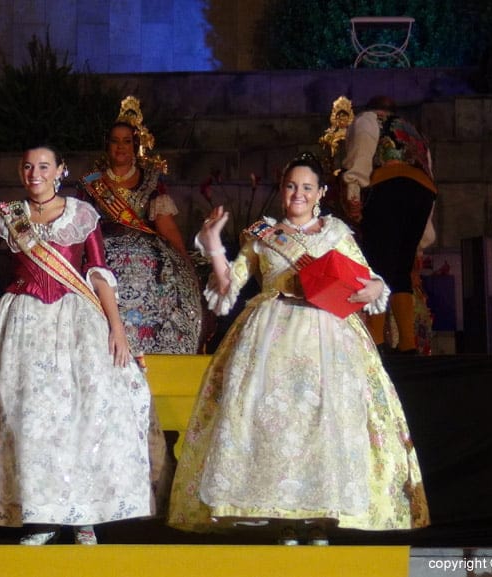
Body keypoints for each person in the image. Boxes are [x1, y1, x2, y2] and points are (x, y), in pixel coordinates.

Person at [167, 153, 429, 544]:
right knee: (275, 424)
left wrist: (372, 289)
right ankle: (282, 517)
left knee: (322, 423)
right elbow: (228, 286)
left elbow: (370, 280)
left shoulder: (335, 234)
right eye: (291, 186)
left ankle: (319, 516)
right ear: (282, 189)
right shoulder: (262, 234)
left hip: (329, 338)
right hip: (270, 337)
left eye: (307, 187)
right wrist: (212, 245)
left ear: (321, 192)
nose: (298, 194)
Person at [0, 145, 156, 545]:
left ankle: (82, 515)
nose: (35, 173)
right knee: (29, 419)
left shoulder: (82, 214)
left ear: (60, 170)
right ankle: (41, 513)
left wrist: (117, 328)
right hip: (23, 323)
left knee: (81, 416)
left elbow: (98, 273)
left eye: (44, 166)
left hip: (77, 325)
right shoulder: (9, 215)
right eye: (28, 166)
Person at [76, 96, 202, 354]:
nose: (120, 147)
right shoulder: (91, 184)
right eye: (114, 141)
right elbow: (80, 229)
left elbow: (166, 227)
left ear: (135, 146)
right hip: (102, 254)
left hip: (149, 258)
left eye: (126, 141)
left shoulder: (151, 182)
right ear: (106, 146)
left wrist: (185, 265)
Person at [341, 95, 437, 354]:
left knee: (377, 264)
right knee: (401, 269)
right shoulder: (415, 132)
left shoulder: (369, 119)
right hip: (423, 194)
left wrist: (353, 191)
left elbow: (362, 149)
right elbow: (428, 171)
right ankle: (408, 343)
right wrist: (423, 240)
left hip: (389, 187)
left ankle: (377, 340)